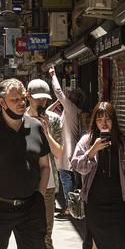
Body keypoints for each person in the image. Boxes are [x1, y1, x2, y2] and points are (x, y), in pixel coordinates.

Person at [0, 78, 50, 249]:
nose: (21, 103)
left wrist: (40, 194)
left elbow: (45, 165)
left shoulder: (36, 127)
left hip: (30, 207)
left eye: (23, 98)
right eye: (15, 100)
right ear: (2, 102)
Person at [71, 102, 125, 249]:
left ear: (113, 121)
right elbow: (76, 165)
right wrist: (92, 150)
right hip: (95, 202)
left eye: (107, 119)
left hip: (118, 200)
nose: (103, 123)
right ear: (94, 121)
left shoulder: (121, 142)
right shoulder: (86, 141)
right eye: (99, 119)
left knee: (120, 241)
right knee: (97, 241)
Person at [25, 79, 63, 249]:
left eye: (45, 99)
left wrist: (46, 132)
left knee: (46, 234)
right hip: (24, 184)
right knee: (26, 233)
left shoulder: (53, 119)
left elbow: (59, 153)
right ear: (28, 96)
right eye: (38, 99)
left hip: (47, 185)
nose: (42, 103)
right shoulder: (20, 119)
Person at [48, 66, 85, 215]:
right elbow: (48, 112)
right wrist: (58, 103)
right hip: (72, 150)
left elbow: (58, 92)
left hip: (68, 152)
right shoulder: (74, 111)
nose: (66, 95)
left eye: (69, 95)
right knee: (69, 178)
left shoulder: (70, 109)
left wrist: (53, 76)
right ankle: (72, 206)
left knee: (66, 178)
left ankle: (70, 208)